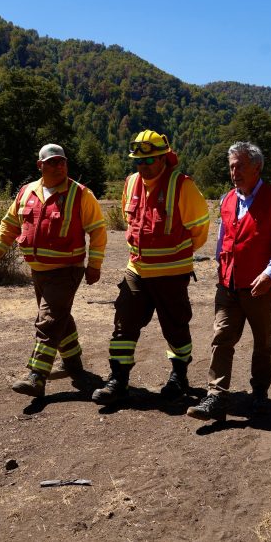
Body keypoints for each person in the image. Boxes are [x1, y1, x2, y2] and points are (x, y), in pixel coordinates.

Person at [91, 130, 210, 405]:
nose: (142, 167)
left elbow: (200, 228)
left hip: (171, 273)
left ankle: (179, 378)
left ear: (164, 159)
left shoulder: (183, 186)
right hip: (137, 269)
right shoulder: (131, 182)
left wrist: (178, 254)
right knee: (123, 323)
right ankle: (118, 381)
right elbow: (129, 218)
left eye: (149, 161)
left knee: (176, 327)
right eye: (138, 162)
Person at [0, 143, 106, 398]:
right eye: (52, 162)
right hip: (38, 271)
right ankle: (74, 366)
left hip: (67, 270)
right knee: (60, 318)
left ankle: (37, 376)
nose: (59, 165)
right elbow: (9, 225)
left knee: (48, 321)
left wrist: (94, 265)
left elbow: (97, 230)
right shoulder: (27, 192)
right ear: (40, 165)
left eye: (62, 161)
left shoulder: (80, 194)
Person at [186, 142, 271, 422]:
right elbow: (223, 238)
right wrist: (219, 269)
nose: (234, 171)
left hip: (261, 286)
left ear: (257, 167)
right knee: (221, 337)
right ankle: (217, 396)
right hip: (228, 285)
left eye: (240, 165)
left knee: (262, 342)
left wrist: (270, 272)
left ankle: (259, 392)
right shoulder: (226, 199)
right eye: (232, 166)